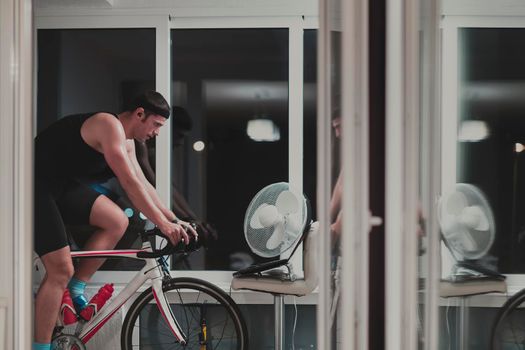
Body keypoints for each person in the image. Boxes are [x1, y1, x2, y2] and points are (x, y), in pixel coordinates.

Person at [33, 91, 198, 350]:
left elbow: (145, 185)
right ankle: (40, 347)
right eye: (156, 125)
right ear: (139, 114)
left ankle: (76, 287)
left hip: (62, 187)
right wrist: (164, 226)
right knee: (59, 270)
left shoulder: (129, 143)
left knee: (117, 221)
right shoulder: (108, 125)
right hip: (33, 185)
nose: (157, 133)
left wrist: (174, 219)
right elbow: (130, 185)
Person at [134, 106, 218, 243]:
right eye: (179, 136)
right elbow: (154, 185)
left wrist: (193, 219)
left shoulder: (154, 152)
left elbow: (170, 188)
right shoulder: (141, 144)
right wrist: (186, 219)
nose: (180, 142)